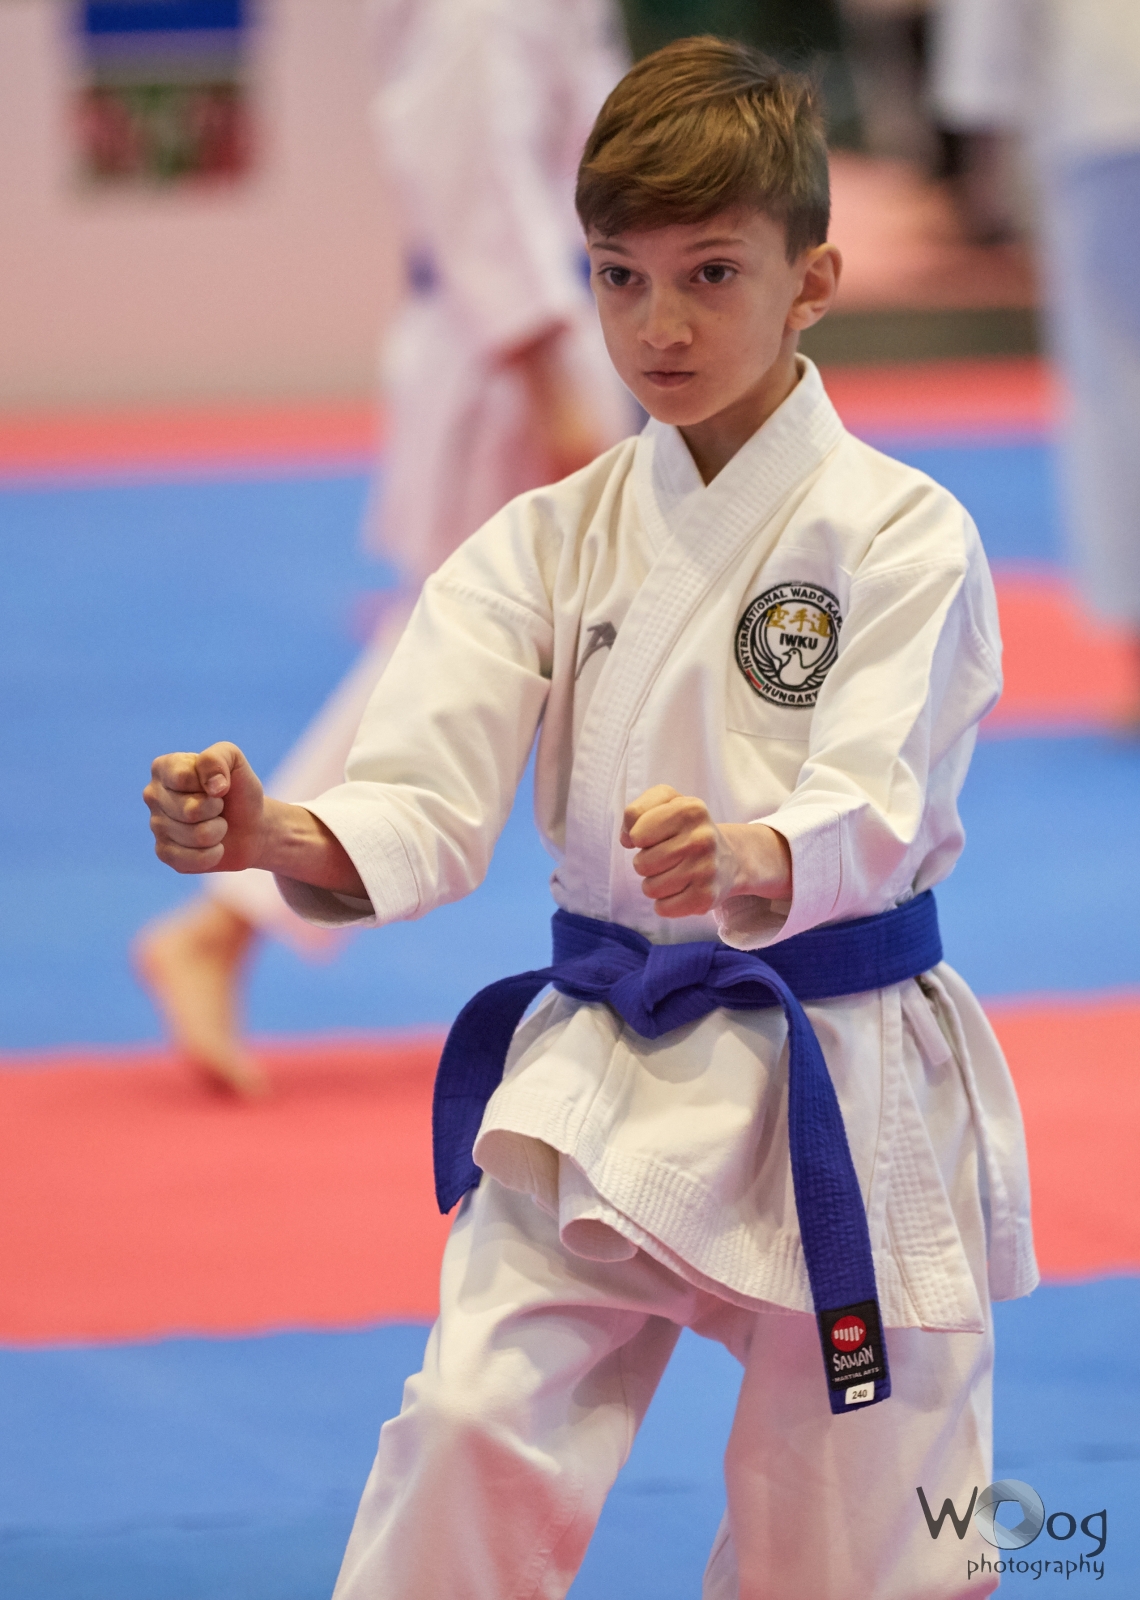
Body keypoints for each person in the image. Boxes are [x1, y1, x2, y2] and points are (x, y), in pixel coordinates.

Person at [144, 39, 1036, 1598]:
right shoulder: (546, 540)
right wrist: (277, 836)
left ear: (813, 281)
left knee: (862, 1539)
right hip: (611, 1056)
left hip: (844, 1067)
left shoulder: (903, 531)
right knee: (467, 1424)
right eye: (620, 278)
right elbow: (423, 788)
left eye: (710, 274)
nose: (658, 325)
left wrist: (755, 855)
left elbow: (880, 793)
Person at [134, 0, 634, 1094]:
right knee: (458, 651)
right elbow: (478, 188)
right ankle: (223, 924)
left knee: (487, 647)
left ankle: (226, 924)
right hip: (515, 358)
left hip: (550, 334)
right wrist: (553, 382)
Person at [932, 0, 1140, 667]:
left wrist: (983, 163)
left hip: (1102, 108)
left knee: (1116, 380)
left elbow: (988, 36)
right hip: (1100, 107)